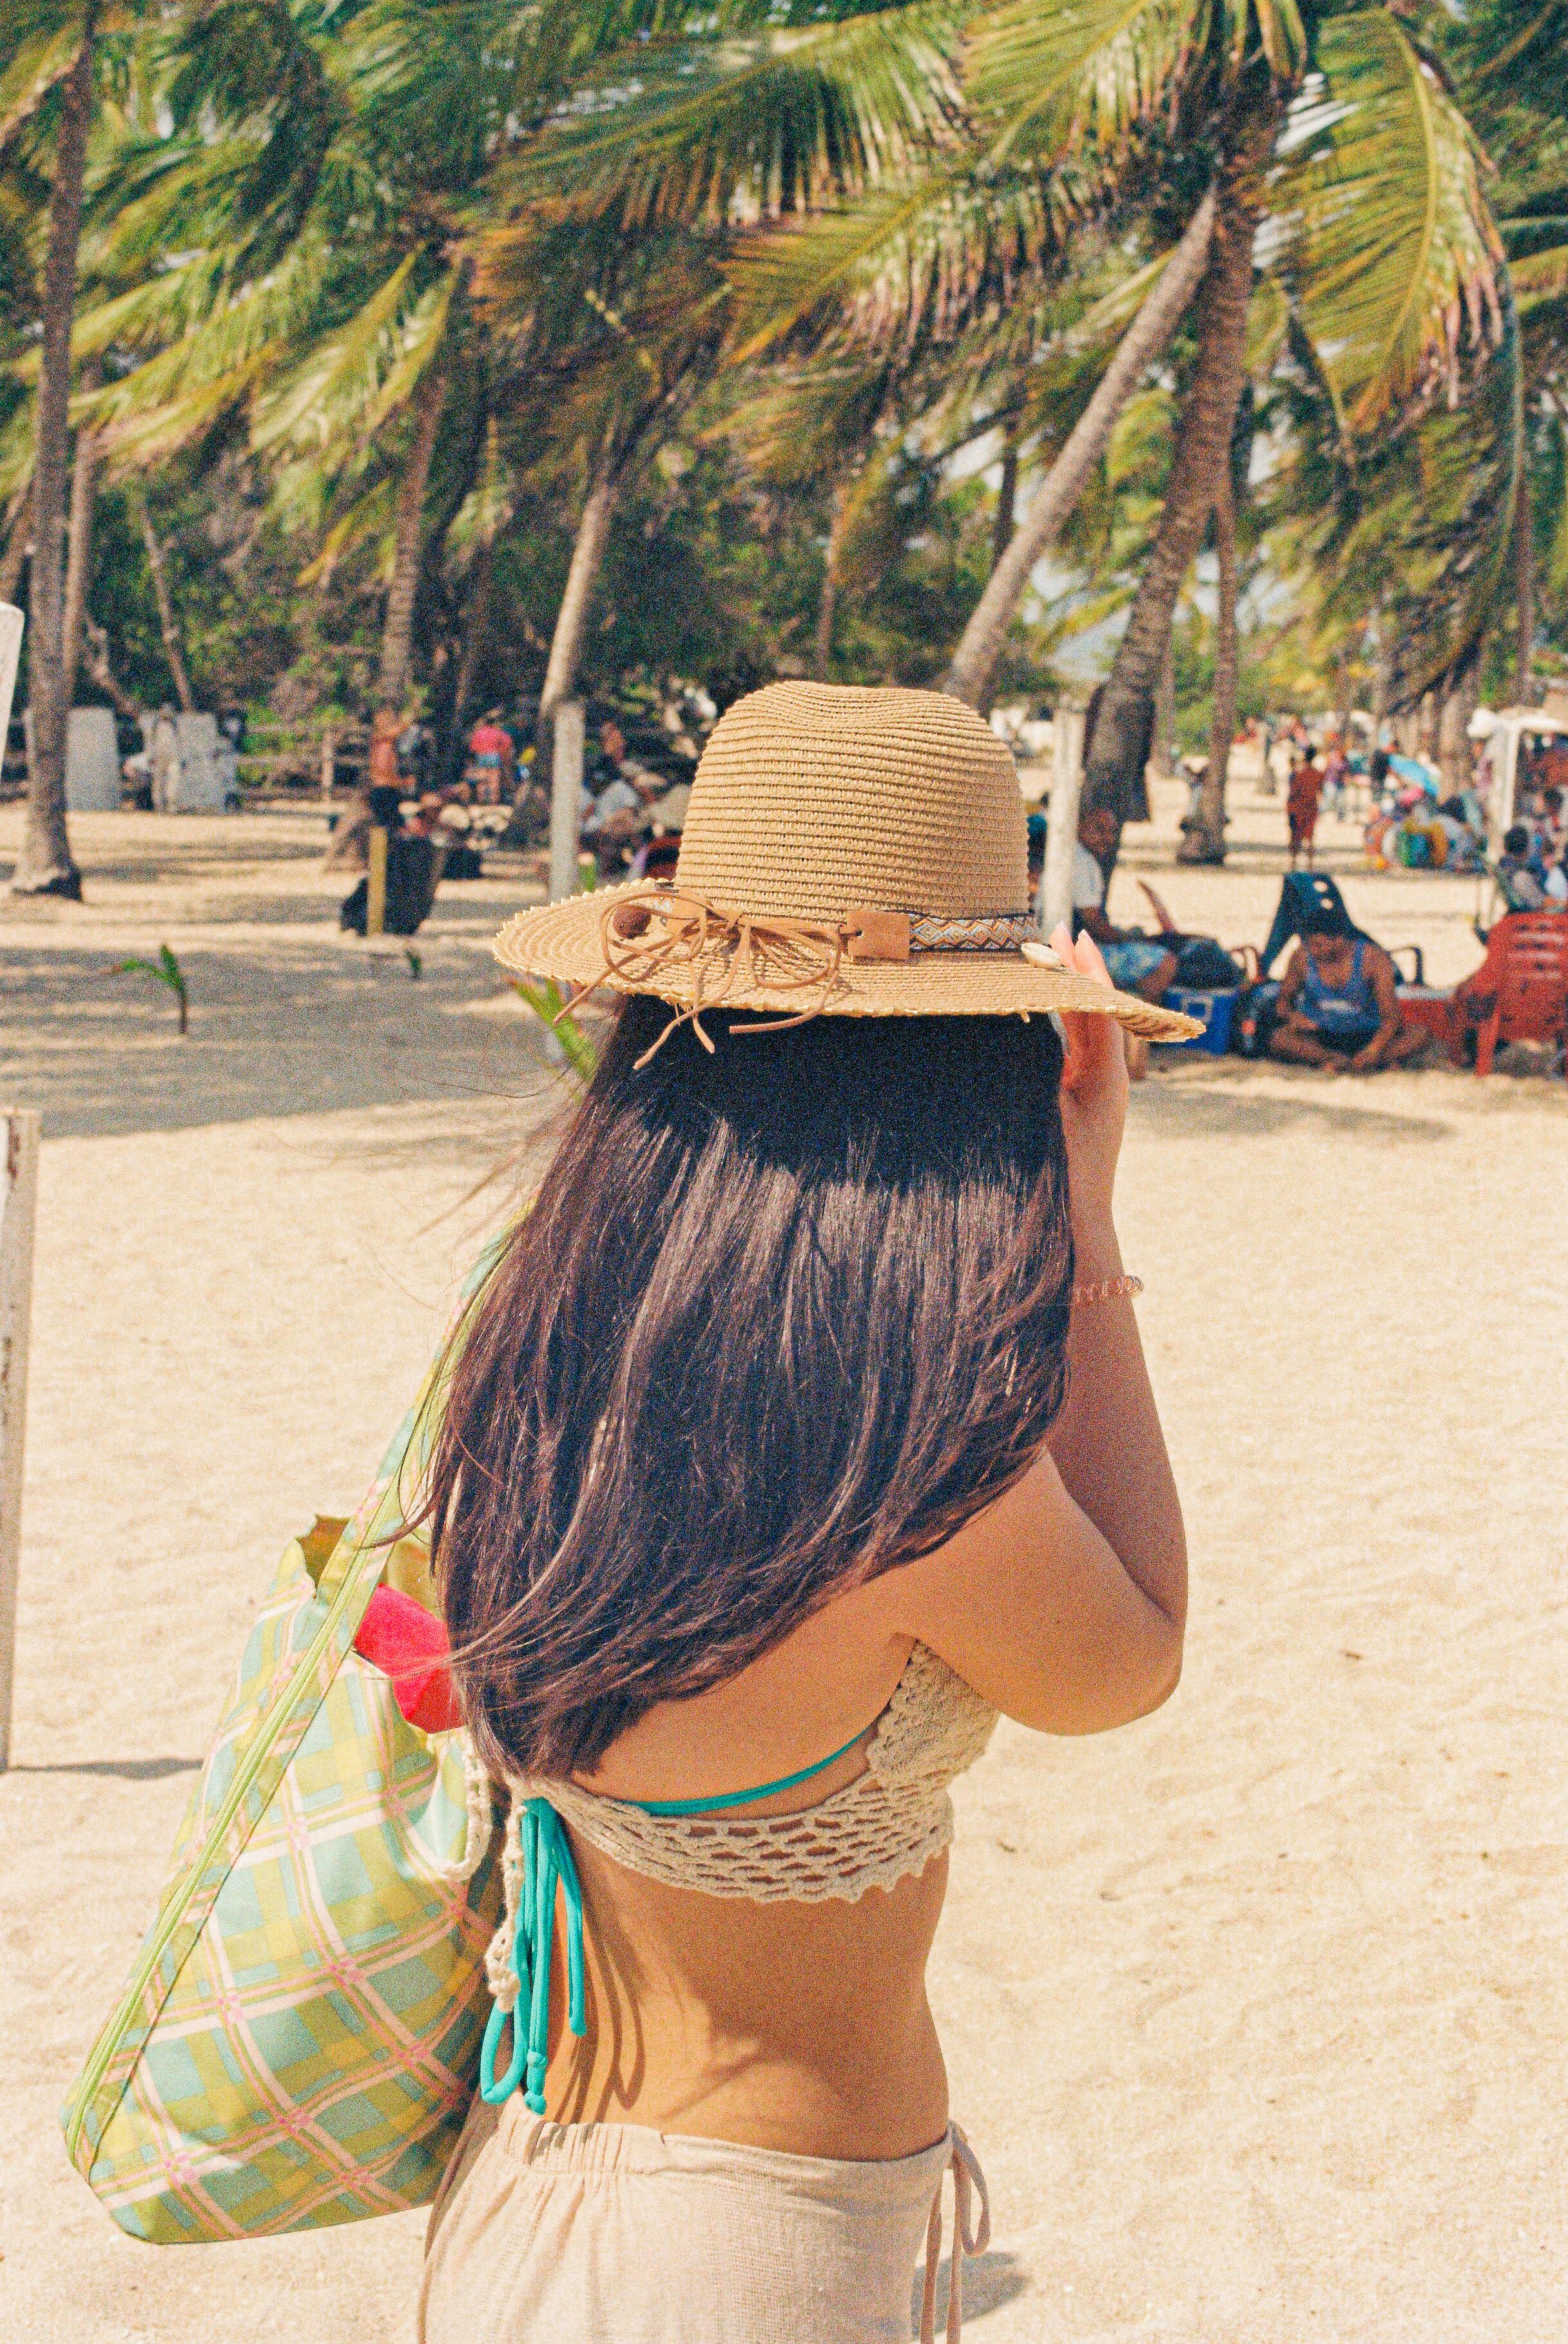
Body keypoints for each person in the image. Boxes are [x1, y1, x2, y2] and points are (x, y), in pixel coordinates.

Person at [418, 682, 1192, 2344]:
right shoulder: (908, 1472)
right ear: (977, 1062)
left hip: (524, 2181)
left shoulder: (547, 1339)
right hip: (743, 2252)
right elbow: (1129, 1656)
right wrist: (1085, 1222)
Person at [1268, 920, 1426, 1071]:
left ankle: (1363, 1061)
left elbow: (1391, 1018)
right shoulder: (1302, 958)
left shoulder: (1373, 959)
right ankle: (1333, 1059)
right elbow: (1283, 1003)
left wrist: (1373, 1050)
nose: (1313, 951)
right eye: (1310, 945)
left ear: (1340, 940)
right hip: (1320, 1035)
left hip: (1366, 1034)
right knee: (1279, 1039)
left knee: (1419, 1034)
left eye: (1319, 945)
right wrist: (1293, 1016)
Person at [1066, 804, 1179, 1002]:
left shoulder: (1081, 858)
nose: (1108, 839)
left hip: (1080, 944)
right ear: (1080, 826)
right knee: (1166, 962)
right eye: (1099, 830)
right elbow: (1094, 926)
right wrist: (1129, 939)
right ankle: (1140, 1023)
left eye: (1111, 832)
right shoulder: (1081, 863)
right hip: (1079, 951)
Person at [467, 708, 516, 804]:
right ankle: (494, 803)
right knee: (494, 780)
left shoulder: (479, 732)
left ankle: (481, 802)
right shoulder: (498, 732)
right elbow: (507, 743)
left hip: (481, 756)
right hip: (494, 756)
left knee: (482, 780)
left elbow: (472, 747)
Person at [1287, 749, 1324, 868]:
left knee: (1295, 835)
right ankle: (1310, 864)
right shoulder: (1318, 774)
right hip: (1311, 807)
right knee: (1310, 837)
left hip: (1297, 807)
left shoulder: (1298, 774)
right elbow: (1320, 793)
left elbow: (1293, 792)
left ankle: (1293, 862)